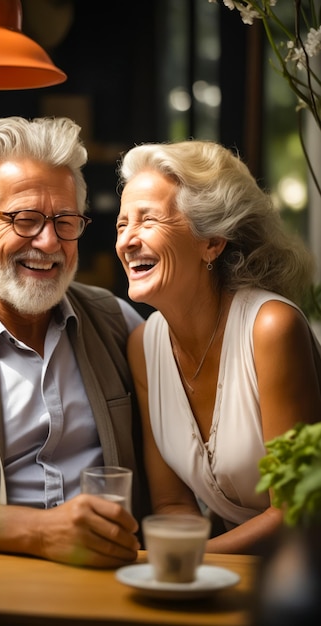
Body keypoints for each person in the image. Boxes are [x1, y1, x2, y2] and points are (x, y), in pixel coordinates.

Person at [0, 115, 151, 568]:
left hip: (116, 582)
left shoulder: (118, 321)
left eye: (65, 220)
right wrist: (43, 532)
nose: (49, 241)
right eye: (25, 219)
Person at [115, 138, 321, 555]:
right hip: (227, 573)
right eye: (122, 225)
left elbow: (298, 510)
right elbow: (173, 504)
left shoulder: (271, 328)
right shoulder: (143, 346)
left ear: (212, 241)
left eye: (148, 220)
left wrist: (184, 560)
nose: (127, 241)